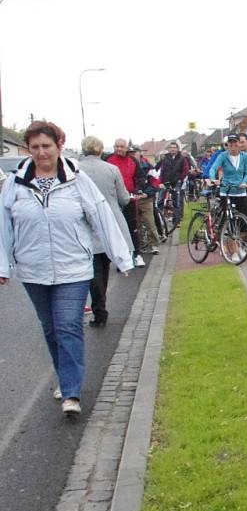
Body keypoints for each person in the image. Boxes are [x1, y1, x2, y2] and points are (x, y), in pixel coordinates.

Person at [0, 121, 133, 415]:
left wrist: (122, 257)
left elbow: (102, 217)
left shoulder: (77, 179)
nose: (41, 152)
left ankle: (71, 392)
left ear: (59, 145)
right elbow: (4, 226)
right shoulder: (15, 183)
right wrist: (3, 265)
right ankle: (65, 376)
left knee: (68, 325)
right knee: (50, 329)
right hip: (33, 269)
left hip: (73, 267)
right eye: (35, 147)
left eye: (46, 146)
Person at [79, 136, 134, 327]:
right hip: (110, 220)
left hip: (85, 222)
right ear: (101, 150)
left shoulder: (75, 170)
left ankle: (99, 308)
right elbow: (124, 198)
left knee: (94, 265)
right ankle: (100, 306)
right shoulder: (111, 169)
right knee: (103, 263)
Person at [107, 138, 146, 267]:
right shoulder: (108, 160)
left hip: (129, 197)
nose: (119, 149)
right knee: (116, 229)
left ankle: (137, 254)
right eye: (116, 146)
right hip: (113, 199)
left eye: (121, 147)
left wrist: (137, 189)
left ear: (126, 148)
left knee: (133, 227)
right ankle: (123, 258)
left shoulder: (133, 160)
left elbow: (140, 176)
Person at [206, 133, 247, 241]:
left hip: (240, 190)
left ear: (239, 143)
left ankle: (243, 242)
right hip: (226, 190)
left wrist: (244, 182)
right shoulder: (223, 156)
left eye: (235, 142)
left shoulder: (245, 156)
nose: (233, 145)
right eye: (230, 143)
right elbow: (213, 168)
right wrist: (212, 179)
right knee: (226, 217)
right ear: (227, 144)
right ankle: (222, 238)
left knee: (244, 218)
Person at [159, 141, 189, 227]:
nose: (172, 149)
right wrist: (161, 182)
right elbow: (162, 170)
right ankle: (159, 218)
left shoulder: (182, 158)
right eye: (171, 147)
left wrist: (180, 179)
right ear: (169, 149)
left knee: (177, 201)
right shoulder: (165, 158)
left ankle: (176, 221)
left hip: (176, 182)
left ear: (177, 149)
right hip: (166, 181)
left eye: (174, 147)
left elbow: (185, 170)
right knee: (160, 199)